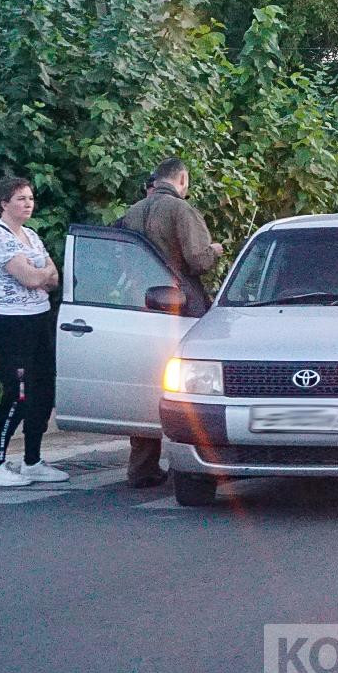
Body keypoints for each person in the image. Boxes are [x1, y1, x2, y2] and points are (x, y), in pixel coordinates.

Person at [116, 157, 223, 488]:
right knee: (189, 388)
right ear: (182, 180)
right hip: (180, 308)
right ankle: (191, 465)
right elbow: (198, 259)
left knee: (144, 383)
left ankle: (142, 467)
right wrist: (216, 249)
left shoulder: (131, 213)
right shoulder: (182, 211)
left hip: (140, 307)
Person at [0, 175, 69, 487]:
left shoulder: (30, 235)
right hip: (12, 323)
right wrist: (39, 274)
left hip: (39, 318)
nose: (28, 203)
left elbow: (53, 276)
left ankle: (32, 459)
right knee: (17, 393)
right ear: (4, 204)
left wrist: (40, 274)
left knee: (43, 391)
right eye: (20, 199)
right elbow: (30, 278)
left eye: (30, 198)